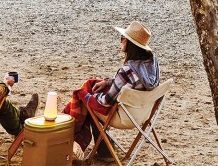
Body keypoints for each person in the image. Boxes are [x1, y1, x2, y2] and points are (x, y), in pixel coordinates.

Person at [63, 21, 161, 151]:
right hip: (143, 114)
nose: (121, 41)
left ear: (130, 44)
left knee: (84, 98)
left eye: (122, 38)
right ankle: (104, 150)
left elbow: (106, 102)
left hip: (124, 118)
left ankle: (77, 141)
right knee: (92, 86)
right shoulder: (151, 66)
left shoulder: (127, 70)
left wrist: (90, 96)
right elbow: (133, 81)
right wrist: (108, 82)